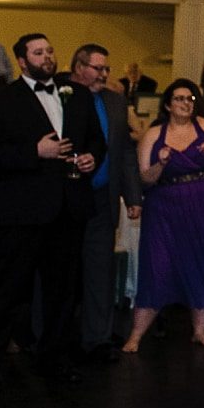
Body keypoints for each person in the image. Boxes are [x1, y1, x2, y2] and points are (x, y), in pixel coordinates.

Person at [0, 34, 107, 388]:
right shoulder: (3, 99)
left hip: (68, 206)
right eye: (38, 52)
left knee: (62, 291)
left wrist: (93, 156)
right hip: (22, 210)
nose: (46, 57)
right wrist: (35, 152)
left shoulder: (75, 94)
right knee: (6, 290)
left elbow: (96, 139)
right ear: (21, 60)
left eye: (49, 50)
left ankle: (54, 358)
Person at [123, 80, 204, 352]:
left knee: (202, 262)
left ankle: (199, 331)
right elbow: (145, 179)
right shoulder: (154, 134)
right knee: (158, 265)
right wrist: (162, 162)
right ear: (168, 104)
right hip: (166, 208)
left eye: (189, 98)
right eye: (179, 99)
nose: (185, 103)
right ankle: (135, 336)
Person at [69, 44, 142, 362]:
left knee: (101, 269)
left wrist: (133, 195)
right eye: (97, 68)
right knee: (62, 268)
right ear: (78, 67)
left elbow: (124, 152)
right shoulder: (63, 97)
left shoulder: (114, 101)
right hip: (67, 196)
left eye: (106, 69)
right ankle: (51, 335)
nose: (103, 75)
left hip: (104, 196)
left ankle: (96, 337)